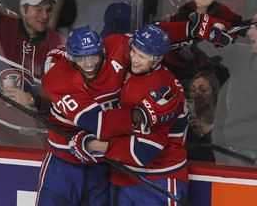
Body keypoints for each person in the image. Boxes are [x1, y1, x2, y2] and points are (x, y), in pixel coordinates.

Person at [35, 13, 234, 205]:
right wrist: (140, 114)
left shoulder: (120, 49)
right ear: (70, 58)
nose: (88, 66)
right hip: (65, 161)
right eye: (81, 60)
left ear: (103, 49)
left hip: (110, 166)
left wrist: (192, 28)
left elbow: (152, 37)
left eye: (94, 58)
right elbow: (99, 123)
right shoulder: (58, 78)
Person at [71, 24, 189, 205]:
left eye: (142, 56)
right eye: (133, 51)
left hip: (160, 179)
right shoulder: (132, 73)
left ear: (157, 59)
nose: (134, 59)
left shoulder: (161, 89)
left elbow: (144, 151)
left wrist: (94, 144)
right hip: (123, 176)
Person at [0, 0, 66, 147]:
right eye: (38, 9)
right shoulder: (2, 22)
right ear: (23, 9)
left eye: (48, 10)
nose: (44, 16)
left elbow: (65, 95)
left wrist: (33, 99)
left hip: (37, 141)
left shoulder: (60, 44)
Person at [197, 12, 257, 166]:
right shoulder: (242, 54)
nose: (249, 32)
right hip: (238, 153)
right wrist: (214, 36)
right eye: (251, 26)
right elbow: (204, 47)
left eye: (256, 27)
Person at [186, 70, 220, 162]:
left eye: (203, 90)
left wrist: (200, 134)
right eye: (193, 90)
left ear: (215, 94)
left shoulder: (224, 122)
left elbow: (218, 158)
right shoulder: (187, 123)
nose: (197, 94)